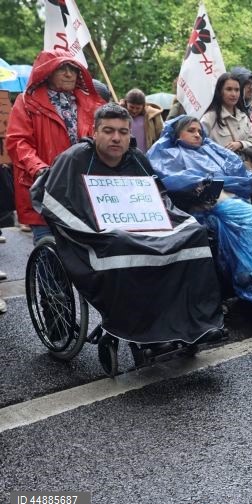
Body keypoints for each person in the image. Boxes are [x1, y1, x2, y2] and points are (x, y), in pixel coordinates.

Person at [31, 103, 224, 345]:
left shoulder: (137, 158)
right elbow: (58, 203)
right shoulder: (75, 159)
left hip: (138, 226)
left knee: (194, 233)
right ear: (95, 132)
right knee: (121, 243)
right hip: (91, 231)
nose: (116, 138)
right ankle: (136, 327)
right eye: (109, 130)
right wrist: (97, 229)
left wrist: (177, 222)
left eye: (123, 132)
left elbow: (159, 198)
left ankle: (196, 323)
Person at [147, 116, 252, 310]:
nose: (197, 134)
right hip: (205, 208)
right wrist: (197, 184)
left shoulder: (211, 149)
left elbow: (236, 172)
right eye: (191, 130)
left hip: (230, 202)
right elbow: (173, 180)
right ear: (177, 133)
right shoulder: (168, 153)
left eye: (199, 130)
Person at [6, 49, 104, 245]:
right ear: (47, 72)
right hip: (44, 189)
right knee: (48, 249)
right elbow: (18, 142)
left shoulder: (91, 103)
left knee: (84, 251)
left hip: (85, 192)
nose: (69, 74)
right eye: (62, 69)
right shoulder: (26, 102)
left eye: (73, 69)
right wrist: (41, 170)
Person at [201, 73, 252, 172]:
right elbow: (200, 148)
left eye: (237, 90)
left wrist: (241, 144)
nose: (233, 94)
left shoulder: (243, 117)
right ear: (220, 91)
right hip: (222, 175)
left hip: (246, 173)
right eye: (229, 89)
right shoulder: (209, 118)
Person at [122, 88, 163, 153]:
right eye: (131, 107)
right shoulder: (119, 114)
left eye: (138, 108)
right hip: (125, 155)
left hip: (147, 156)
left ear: (143, 106)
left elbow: (161, 135)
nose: (134, 111)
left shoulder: (153, 116)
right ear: (126, 103)